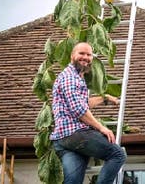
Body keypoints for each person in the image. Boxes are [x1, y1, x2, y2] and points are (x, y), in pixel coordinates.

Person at [50, 42, 126, 184]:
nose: (85, 57)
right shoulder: (70, 77)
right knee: (117, 154)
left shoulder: (76, 77)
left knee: (73, 182)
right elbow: (79, 110)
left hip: (63, 140)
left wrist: (105, 98)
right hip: (75, 134)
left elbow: (82, 103)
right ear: (72, 56)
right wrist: (102, 127)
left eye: (88, 54)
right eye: (81, 53)